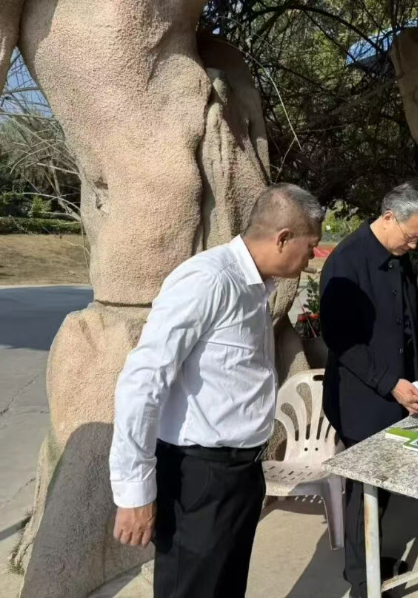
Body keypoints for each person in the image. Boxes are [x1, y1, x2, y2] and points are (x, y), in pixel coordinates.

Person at [109, 184, 324, 598]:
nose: (312, 257)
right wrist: (135, 491)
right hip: (199, 480)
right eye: (310, 246)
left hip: (241, 475)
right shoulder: (209, 279)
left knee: (225, 587)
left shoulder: (255, 287)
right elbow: (142, 381)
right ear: (283, 238)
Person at [320, 180, 418, 598]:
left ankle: (372, 561)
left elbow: (417, 309)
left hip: (394, 389)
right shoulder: (347, 261)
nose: (414, 246)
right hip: (360, 396)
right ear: (389, 217)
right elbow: (342, 340)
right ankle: (363, 581)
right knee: (366, 490)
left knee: (382, 486)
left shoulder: (397, 258)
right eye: (411, 237)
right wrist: (389, 383)